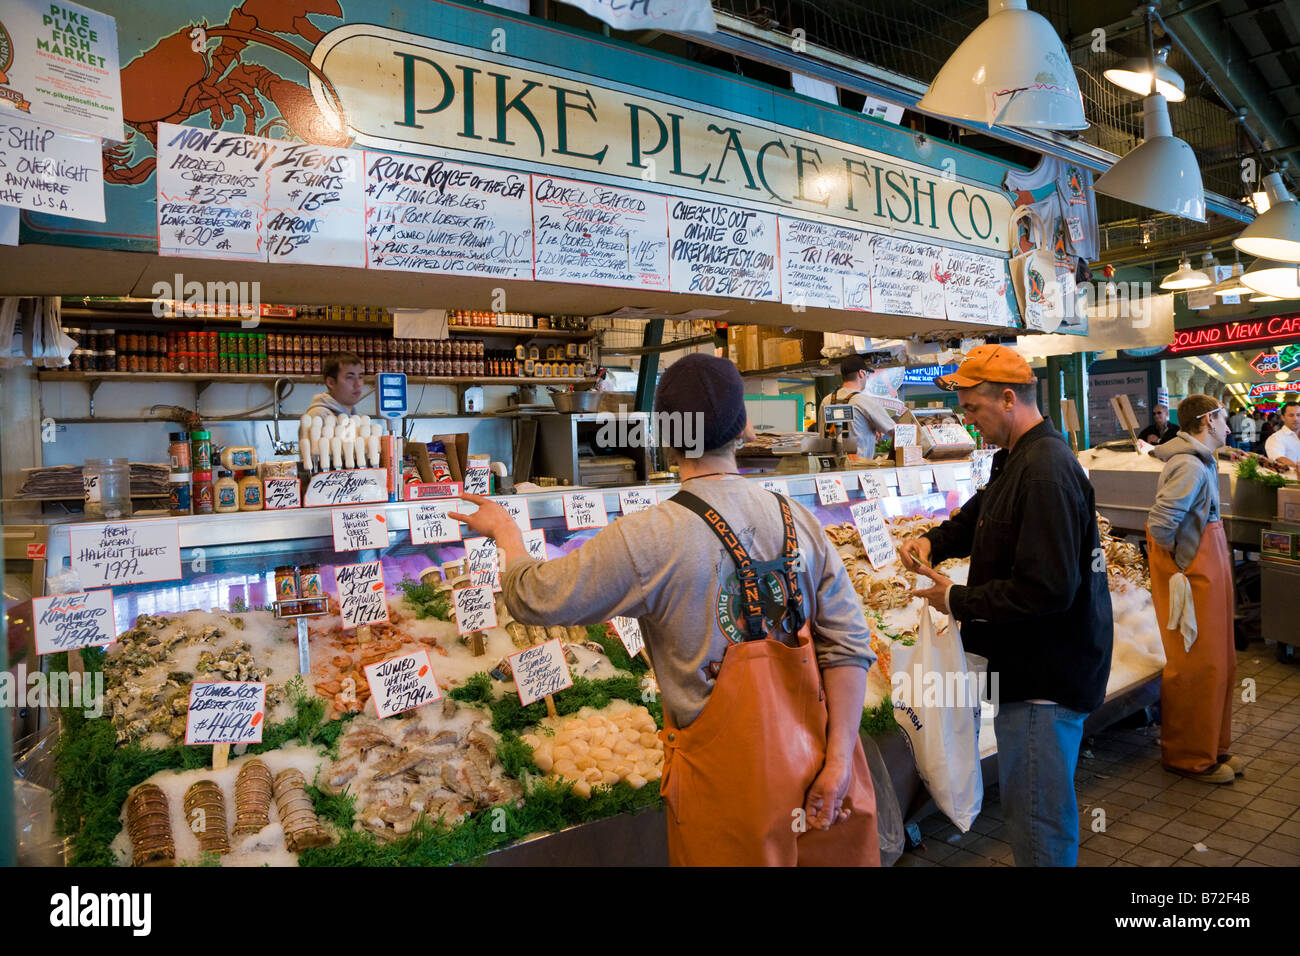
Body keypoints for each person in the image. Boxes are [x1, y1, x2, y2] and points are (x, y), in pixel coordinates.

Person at [451, 354, 881, 866]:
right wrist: (838, 765)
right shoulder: (800, 520)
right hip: (818, 770)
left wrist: (507, 535)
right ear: (743, 427)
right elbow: (849, 644)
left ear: (664, 435)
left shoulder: (651, 536)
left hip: (725, 789)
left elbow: (532, 597)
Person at [899, 344, 1112, 867]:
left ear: (1009, 398)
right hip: (1027, 667)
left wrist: (955, 598)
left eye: (973, 409)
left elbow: (1046, 589)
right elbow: (981, 514)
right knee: (1032, 808)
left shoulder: (1046, 471)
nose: (968, 422)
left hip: (1045, 680)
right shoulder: (1016, 460)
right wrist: (935, 540)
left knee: (1038, 819)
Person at [1146, 395, 1241, 785]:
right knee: (1196, 665)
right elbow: (1161, 524)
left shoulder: (1203, 460)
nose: (1229, 427)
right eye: (1223, 419)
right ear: (1206, 421)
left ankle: (1212, 747)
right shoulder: (1188, 464)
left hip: (1209, 572)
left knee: (1219, 660)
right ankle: (1187, 756)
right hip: (1193, 575)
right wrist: (1179, 566)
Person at [818, 354, 896, 455]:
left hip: (831, 467)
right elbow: (895, 431)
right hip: (859, 468)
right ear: (861, 373)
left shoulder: (826, 400)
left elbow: (822, 435)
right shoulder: (865, 401)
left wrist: (870, 427)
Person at [305, 352, 366, 419]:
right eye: (349, 377)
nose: (358, 384)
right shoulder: (319, 415)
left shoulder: (354, 416)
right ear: (331, 382)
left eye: (360, 377)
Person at [1264, 401, 1300, 473]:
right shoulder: (1275, 438)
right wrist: (1298, 468)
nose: (1295, 419)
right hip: (1289, 481)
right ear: (1283, 418)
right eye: (1291, 415)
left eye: (1298, 415)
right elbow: (1279, 459)